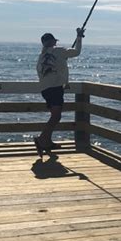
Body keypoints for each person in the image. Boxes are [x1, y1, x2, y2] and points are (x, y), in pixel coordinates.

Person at [34, 27, 85, 157]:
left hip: (45, 90)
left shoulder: (41, 56)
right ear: (53, 42)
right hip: (55, 88)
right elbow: (77, 52)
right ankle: (41, 139)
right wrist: (79, 36)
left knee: (54, 116)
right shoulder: (59, 51)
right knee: (56, 116)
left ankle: (47, 142)